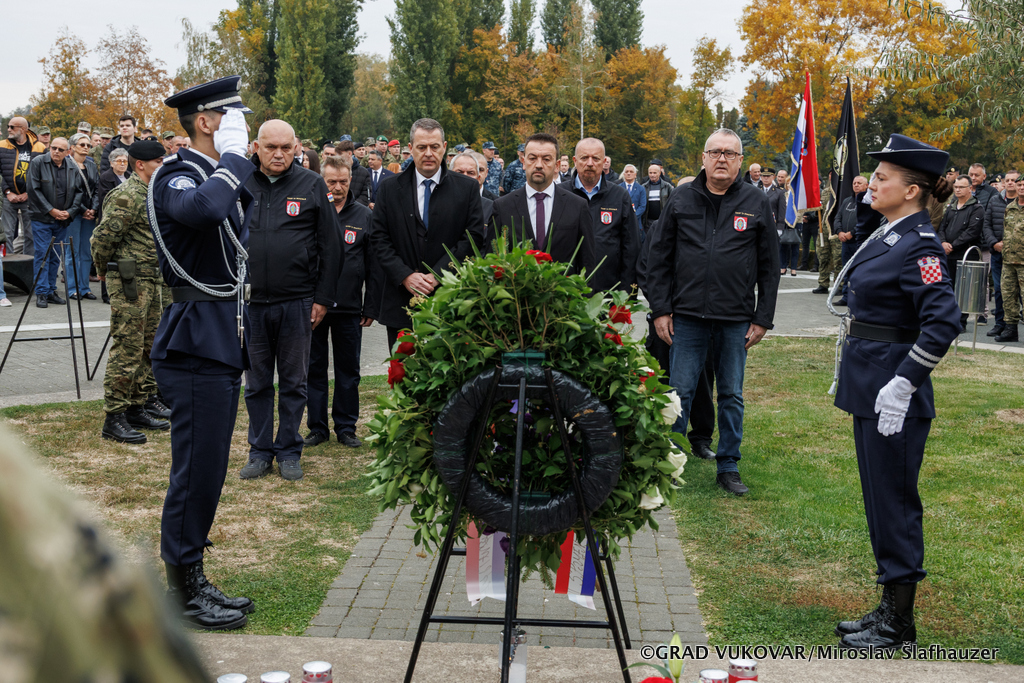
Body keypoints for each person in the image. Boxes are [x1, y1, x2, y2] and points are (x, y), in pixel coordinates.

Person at [831, 134, 961, 650]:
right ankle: (889, 604)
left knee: (895, 503)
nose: (872, 184)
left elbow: (943, 321)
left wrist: (905, 382)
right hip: (871, 383)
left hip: (892, 390)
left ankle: (899, 623)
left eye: (882, 178)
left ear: (911, 191)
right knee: (879, 501)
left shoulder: (920, 243)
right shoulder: (892, 234)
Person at [149, 76, 258, 631]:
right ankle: (182, 591)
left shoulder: (210, 174)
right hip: (194, 338)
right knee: (194, 471)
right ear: (206, 121)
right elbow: (208, 211)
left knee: (210, 467)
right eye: (233, 115)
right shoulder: (177, 174)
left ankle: (191, 574)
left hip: (217, 335)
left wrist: (233, 165)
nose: (243, 125)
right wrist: (233, 159)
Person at [645, 128, 780, 496]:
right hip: (687, 317)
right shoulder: (681, 198)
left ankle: (728, 465)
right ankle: (670, 463)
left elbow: (770, 267)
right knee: (680, 392)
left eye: (730, 153)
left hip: (735, 319)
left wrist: (762, 318)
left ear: (740, 161)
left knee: (731, 395)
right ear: (703, 158)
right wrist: (661, 310)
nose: (722, 158)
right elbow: (658, 257)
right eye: (715, 152)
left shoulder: (756, 201)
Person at [238, 120, 341, 482]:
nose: (279, 154)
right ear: (257, 147)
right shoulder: (240, 182)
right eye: (271, 147)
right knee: (257, 383)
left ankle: (288, 450)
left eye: (286, 148)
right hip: (251, 303)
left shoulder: (311, 184)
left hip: (297, 302)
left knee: (294, 382)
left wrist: (322, 298)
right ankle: (259, 450)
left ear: (297, 148)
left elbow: (332, 245)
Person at [368, 117, 484, 350]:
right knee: (403, 369)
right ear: (411, 148)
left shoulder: (467, 188)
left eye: (434, 146)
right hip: (401, 301)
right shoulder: (390, 189)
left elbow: (472, 238)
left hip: (450, 300)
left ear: (444, 147)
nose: (428, 153)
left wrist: (438, 274)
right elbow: (378, 238)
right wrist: (405, 275)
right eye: (422, 147)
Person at [92, 139, 171, 443]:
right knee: (127, 347)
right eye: (158, 162)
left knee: (149, 345)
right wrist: (102, 270)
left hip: (151, 280)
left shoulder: (151, 192)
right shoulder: (126, 195)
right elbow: (103, 239)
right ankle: (114, 416)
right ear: (141, 164)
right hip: (130, 282)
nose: (162, 166)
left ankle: (138, 405)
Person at [304, 156, 375, 448]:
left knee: (348, 370)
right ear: (322, 181)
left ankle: (346, 427)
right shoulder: (311, 212)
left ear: (350, 180)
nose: (337, 187)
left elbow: (373, 265)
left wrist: (370, 305)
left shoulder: (363, 216)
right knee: (314, 368)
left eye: (343, 181)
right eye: (331, 181)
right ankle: (317, 428)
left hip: (349, 307)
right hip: (314, 307)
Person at [485, 133, 597, 273]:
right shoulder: (503, 207)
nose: (538, 165)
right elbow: (492, 260)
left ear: (557, 165)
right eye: (532, 158)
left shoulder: (577, 206)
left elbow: (587, 263)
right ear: (523, 162)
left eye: (546, 159)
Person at [569, 137, 639, 294]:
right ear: (575, 161)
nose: (590, 163)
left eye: (595, 158)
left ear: (604, 161)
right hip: (567, 293)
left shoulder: (620, 196)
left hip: (608, 291)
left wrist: (627, 294)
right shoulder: (561, 194)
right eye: (584, 158)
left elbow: (631, 247)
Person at [28, 137, 84, 308]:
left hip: (62, 220)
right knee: (42, 254)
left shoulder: (72, 167)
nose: (56, 152)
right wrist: (50, 210)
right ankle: (41, 292)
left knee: (55, 257)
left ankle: (51, 291)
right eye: (54, 148)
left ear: (68, 152)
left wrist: (70, 212)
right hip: (42, 218)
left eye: (61, 149)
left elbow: (79, 192)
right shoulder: (38, 162)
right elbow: (33, 190)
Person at [937, 174, 984, 330]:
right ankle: (947, 319)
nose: (957, 190)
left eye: (961, 187)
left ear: (970, 188)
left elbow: (972, 232)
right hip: (948, 254)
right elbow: (942, 226)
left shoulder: (976, 208)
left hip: (965, 254)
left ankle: (960, 322)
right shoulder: (951, 206)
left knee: (963, 290)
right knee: (947, 287)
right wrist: (943, 242)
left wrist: (952, 245)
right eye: (955, 187)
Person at [2, 117, 46, 258]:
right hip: (8, 197)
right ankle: (8, 266)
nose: (9, 129)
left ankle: (28, 266)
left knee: (30, 234)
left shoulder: (40, 147)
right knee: (7, 233)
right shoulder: (2, 145)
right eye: (8, 126)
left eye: (12, 127)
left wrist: (29, 192)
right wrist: (7, 191)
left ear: (23, 129)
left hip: (30, 198)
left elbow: (44, 174)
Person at [65, 133, 101, 300]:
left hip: (90, 214)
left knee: (86, 252)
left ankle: (84, 288)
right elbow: (68, 191)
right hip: (73, 213)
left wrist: (93, 209)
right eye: (82, 144)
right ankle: (72, 288)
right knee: (72, 251)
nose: (86, 147)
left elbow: (97, 189)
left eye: (88, 145)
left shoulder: (91, 165)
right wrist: (82, 209)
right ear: (72, 147)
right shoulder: (66, 164)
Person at [983, 170, 1017, 337]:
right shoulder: (995, 200)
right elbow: (986, 224)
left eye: (1013, 180)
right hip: (998, 254)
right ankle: (1000, 324)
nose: (1010, 182)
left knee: (1018, 292)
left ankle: (1013, 326)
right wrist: (994, 243)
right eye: (1007, 180)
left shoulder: (1021, 202)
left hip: (1018, 256)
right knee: (999, 290)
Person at [641, 160, 672, 233]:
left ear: (659, 173)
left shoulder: (667, 186)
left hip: (663, 220)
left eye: (654, 173)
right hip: (647, 222)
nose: (652, 175)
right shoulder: (643, 187)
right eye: (650, 173)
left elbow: (672, 203)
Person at [619, 164, 647, 237]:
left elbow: (642, 206)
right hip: (621, 223)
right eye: (627, 171)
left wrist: (632, 216)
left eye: (631, 172)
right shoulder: (618, 188)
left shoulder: (641, 189)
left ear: (635, 175)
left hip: (636, 223)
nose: (629, 173)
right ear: (624, 174)